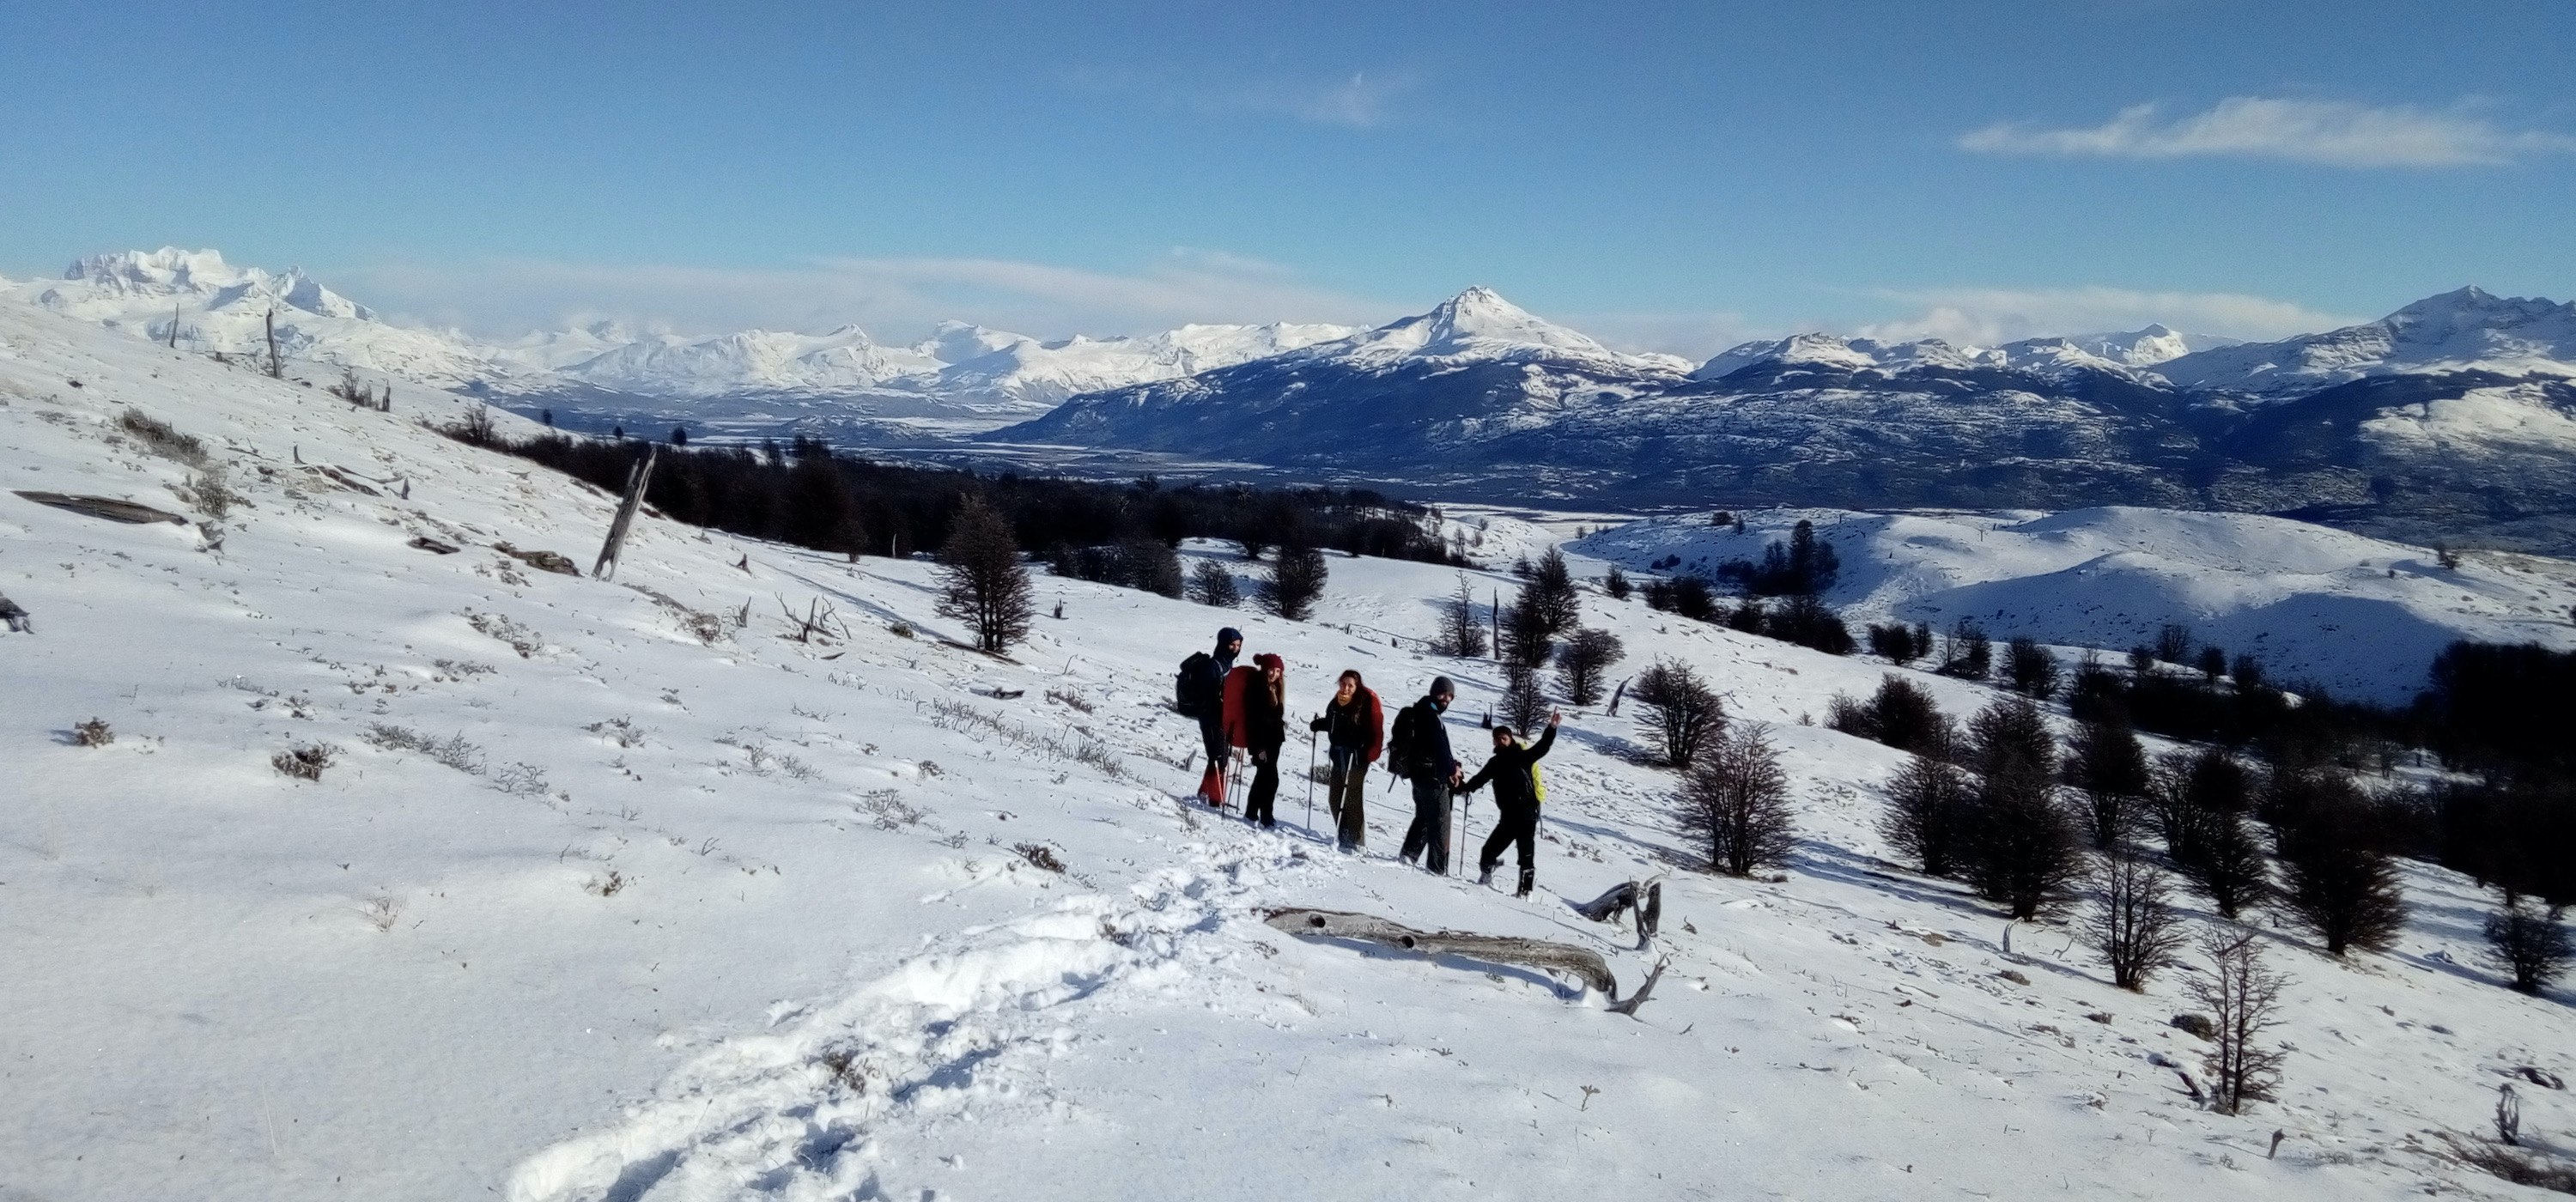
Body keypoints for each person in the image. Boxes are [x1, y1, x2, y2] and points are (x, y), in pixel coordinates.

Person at [1459, 711, 1560, 897]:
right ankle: (1485, 879)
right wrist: (1464, 789)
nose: (1500, 741)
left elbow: (1543, 746)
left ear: (1510, 738)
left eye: (1503, 738)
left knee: (1526, 856)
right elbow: (1480, 779)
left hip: (1527, 815)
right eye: (1497, 739)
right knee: (1488, 851)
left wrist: (1552, 728)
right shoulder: (1495, 763)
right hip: (1508, 817)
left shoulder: (1523, 756)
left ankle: (1525, 893)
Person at [1392, 677, 1463, 874]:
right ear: (1434, 692)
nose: (1446, 699)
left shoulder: (1420, 710)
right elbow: (1439, 748)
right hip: (1432, 778)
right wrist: (1452, 770)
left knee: (1423, 817)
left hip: (1418, 776)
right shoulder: (1431, 716)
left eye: (1450, 696)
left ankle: (1408, 856)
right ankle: (1436, 869)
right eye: (1443, 694)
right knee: (1440, 822)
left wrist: (1450, 766)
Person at [1309, 670, 1385, 851]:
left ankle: (1356, 841)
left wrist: (1364, 743)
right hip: (1338, 756)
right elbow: (1333, 723)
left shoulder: (1364, 703)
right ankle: (1344, 835)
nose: (1346, 688)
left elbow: (1373, 729)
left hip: (1357, 758)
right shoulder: (1336, 702)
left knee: (1352, 798)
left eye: (1350, 685)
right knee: (1335, 798)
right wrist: (1320, 724)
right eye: (1343, 683)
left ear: (1357, 686)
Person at [1225, 653, 1289, 828]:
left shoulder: (1274, 688)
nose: (1274, 674)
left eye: (1278, 671)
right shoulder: (1257, 687)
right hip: (1261, 742)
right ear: (1265, 669)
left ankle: (1253, 813)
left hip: (1273, 741)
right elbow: (1253, 719)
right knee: (1270, 779)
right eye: (1272, 670)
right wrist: (1258, 747)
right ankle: (1265, 815)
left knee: (1264, 777)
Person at [1183, 627, 1242, 806]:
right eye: (1232, 645)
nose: (1235, 649)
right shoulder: (1213, 666)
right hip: (1210, 717)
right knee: (1218, 757)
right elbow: (1208, 696)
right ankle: (1215, 799)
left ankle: (1206, 793)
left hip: (1222, 718)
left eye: (1238, 645)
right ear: (1223, 644)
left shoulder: (1226, 664)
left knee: (1220, 757)